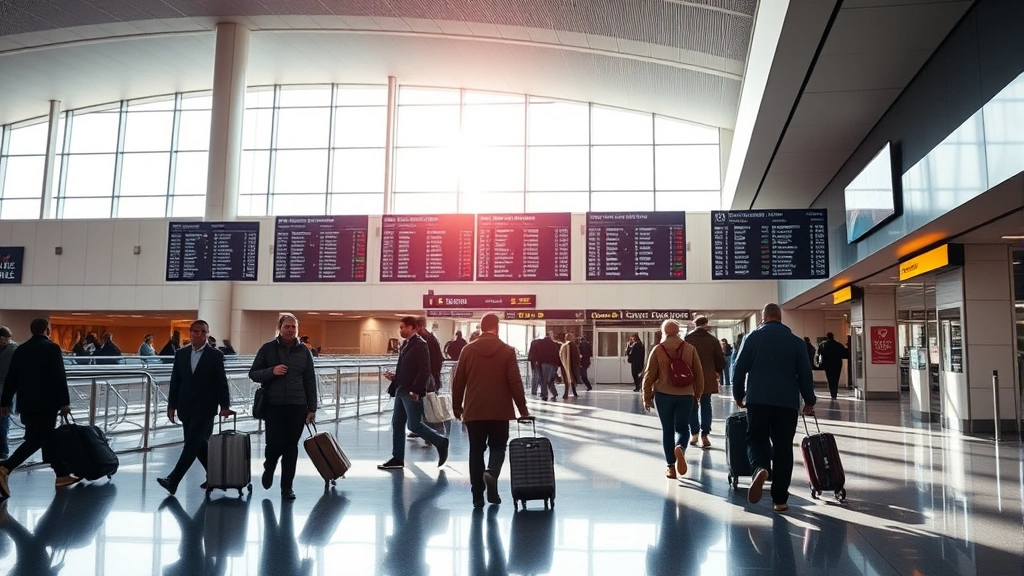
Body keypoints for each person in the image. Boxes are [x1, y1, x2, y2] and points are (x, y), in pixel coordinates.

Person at [732, 303, 816, 512]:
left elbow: (738, 368)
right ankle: (780, 500)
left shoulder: (752, 338)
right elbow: (805, 374)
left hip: (757, 400)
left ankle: (760, 468)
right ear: (780, 318)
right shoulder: (796, 342)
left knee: (755, 438)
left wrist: (738, 395)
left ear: (764, 317)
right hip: (787, 403)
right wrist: (809, 400)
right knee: (783, 447)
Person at [451, 313, 530, 507]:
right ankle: (492, 473)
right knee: (498, 446)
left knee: (476, 451)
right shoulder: (507, 351)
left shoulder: (467, 350)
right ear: (497, 327)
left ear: (481, 327)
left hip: (474, 410)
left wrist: (456, 406)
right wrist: (522, 408)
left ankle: (477, 496)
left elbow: (458, 380)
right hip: (500, 410)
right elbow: (515, 382)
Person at [0, 318, 78, 498]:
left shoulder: (21, 349)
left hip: (26, 403)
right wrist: (64, 402)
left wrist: (4, 402)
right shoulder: (52, 348)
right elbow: (60, 376)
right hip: (46, 403)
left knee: (44, 437)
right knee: (39, 438)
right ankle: (6, 467)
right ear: (47, 330)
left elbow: (12, 377)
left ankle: (62, 474)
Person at [158, 319, 234, 496]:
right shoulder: (181, 354)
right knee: (198, 446)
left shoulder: (215, 355)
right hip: (186, 407)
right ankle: (218, 476)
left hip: (205, 408)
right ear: (190, 333)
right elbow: (176, 381)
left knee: (191, 444)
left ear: (207, 334)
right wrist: (171, 405)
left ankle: (173, 480)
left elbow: (221, 382)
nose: (199, 334)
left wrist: (225, 406)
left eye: (203, 331)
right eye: (195, 331)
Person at [249, 314, 318, 500]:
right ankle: (269, 466)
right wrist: (272, 371)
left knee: (291, 447)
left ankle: (287, 487)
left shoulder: (304, 352)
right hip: (274, 405)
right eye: (287, 326)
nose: (290, 330)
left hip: (297, 406)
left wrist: (312, 408)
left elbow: (310, 381)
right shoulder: (267, 349)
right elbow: (253, 373)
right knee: (274, 444)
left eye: (293, 327)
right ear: (280, 328)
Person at [377, 316, 450, 470]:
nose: (401, 330)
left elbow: (424, 370)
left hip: (410, 391)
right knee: (397, 424)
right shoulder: (406, 344)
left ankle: (440, 441)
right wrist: (396, 377)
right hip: (401, 388)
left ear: (412, 328)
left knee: (414, 424)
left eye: (403, 327)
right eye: (400, 327)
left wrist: (416, 390)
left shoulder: (420, 345)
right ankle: (397, 458)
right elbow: (407, 368)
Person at [642, 319, 704, 479]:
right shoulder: (690, 349)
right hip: (685, 395)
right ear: (678, 332)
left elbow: (649, 375)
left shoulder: (658, 349)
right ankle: (680, 448)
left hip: (663, 395)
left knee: (667, 430)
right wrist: (697, 395)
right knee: (683, 428)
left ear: (663, 332)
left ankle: (670, 467)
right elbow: (699, 374)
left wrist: (646, 396)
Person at [685, 316, 725, 450]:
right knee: (706, 404)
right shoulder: (713, 340)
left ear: (694, 324)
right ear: (706, 324)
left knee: (693, 404)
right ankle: (705, 435)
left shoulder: (688, 339)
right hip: (708, 376)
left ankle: (694, 433)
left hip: (691, 377)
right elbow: (720, 360)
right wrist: (717, 370)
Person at [527, 332, 561, 401]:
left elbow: (535, 353)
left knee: (543, 379)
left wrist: (535, 362)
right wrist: (558, 364)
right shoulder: (552, 344)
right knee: (549, 380)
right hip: (550, 363)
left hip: (540, 362)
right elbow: (556, 354)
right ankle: (551, 394)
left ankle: (545, 394)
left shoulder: (539, 343)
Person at [0, 327, 17, 460]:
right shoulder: (13, 350)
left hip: (4, 389)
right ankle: (3, 450)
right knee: (3, 420)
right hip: (6, 390)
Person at [816, 333, 847, 400]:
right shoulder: (838, 345)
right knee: (836, 378)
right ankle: (834, 393)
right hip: (837, 363)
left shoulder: (823, 344)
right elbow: (844, 353)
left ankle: (832, 393)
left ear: (827, 337)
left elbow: (819, 353)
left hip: (827, 364)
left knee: (830, 378)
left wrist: (819, 363)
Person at [557, 333, 579, 399]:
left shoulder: (564, 345)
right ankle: (568, 393)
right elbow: (576, 356)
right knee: (570, 379)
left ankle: (570, 393)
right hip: (569, 365)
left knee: (568, 379)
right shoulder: (571, 345)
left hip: (564, 364)